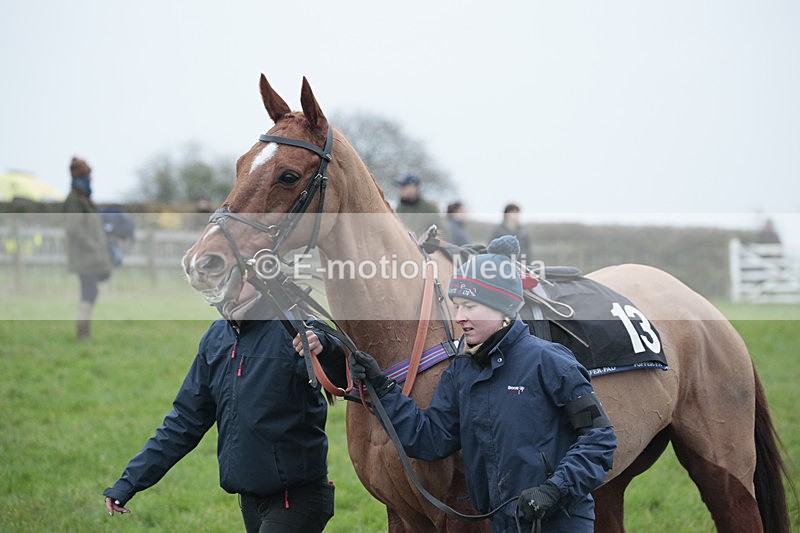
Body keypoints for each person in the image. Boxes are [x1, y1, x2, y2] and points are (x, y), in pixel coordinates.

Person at [349, 236, 617, 532]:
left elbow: (599, 439)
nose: (460, 317)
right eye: (457, 306)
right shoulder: (461, 372)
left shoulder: (552, 363)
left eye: (470, 306)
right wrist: (383, 389)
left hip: (560, 521)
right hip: (501, 522)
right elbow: (430, 439)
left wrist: (554, 490)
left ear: (502, 308)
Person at [103, 283, 346, 533]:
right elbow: (184, 422)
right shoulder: (217, 336)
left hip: (296, 499)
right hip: (250, 500)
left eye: (242, 277)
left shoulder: (294, 327)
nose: (231, 285)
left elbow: (343, 379)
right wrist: (128, 482)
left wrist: (325, 349)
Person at [62, 156, 112, 340]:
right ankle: (82, 334)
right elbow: (73, 228)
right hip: (84, 257)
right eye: (88, 176)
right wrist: (92, 246)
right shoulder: (74, 200)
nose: (91, 180)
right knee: (89, 292)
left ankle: (83, 332)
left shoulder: (82, 199)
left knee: (90, 292)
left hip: (89, 257)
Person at [394, 174, 444, 239]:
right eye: (400, 187)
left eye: (404, 187)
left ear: (414, 187)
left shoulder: (429, 208)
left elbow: (441, 233)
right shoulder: (398, 209)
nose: (400, 190)